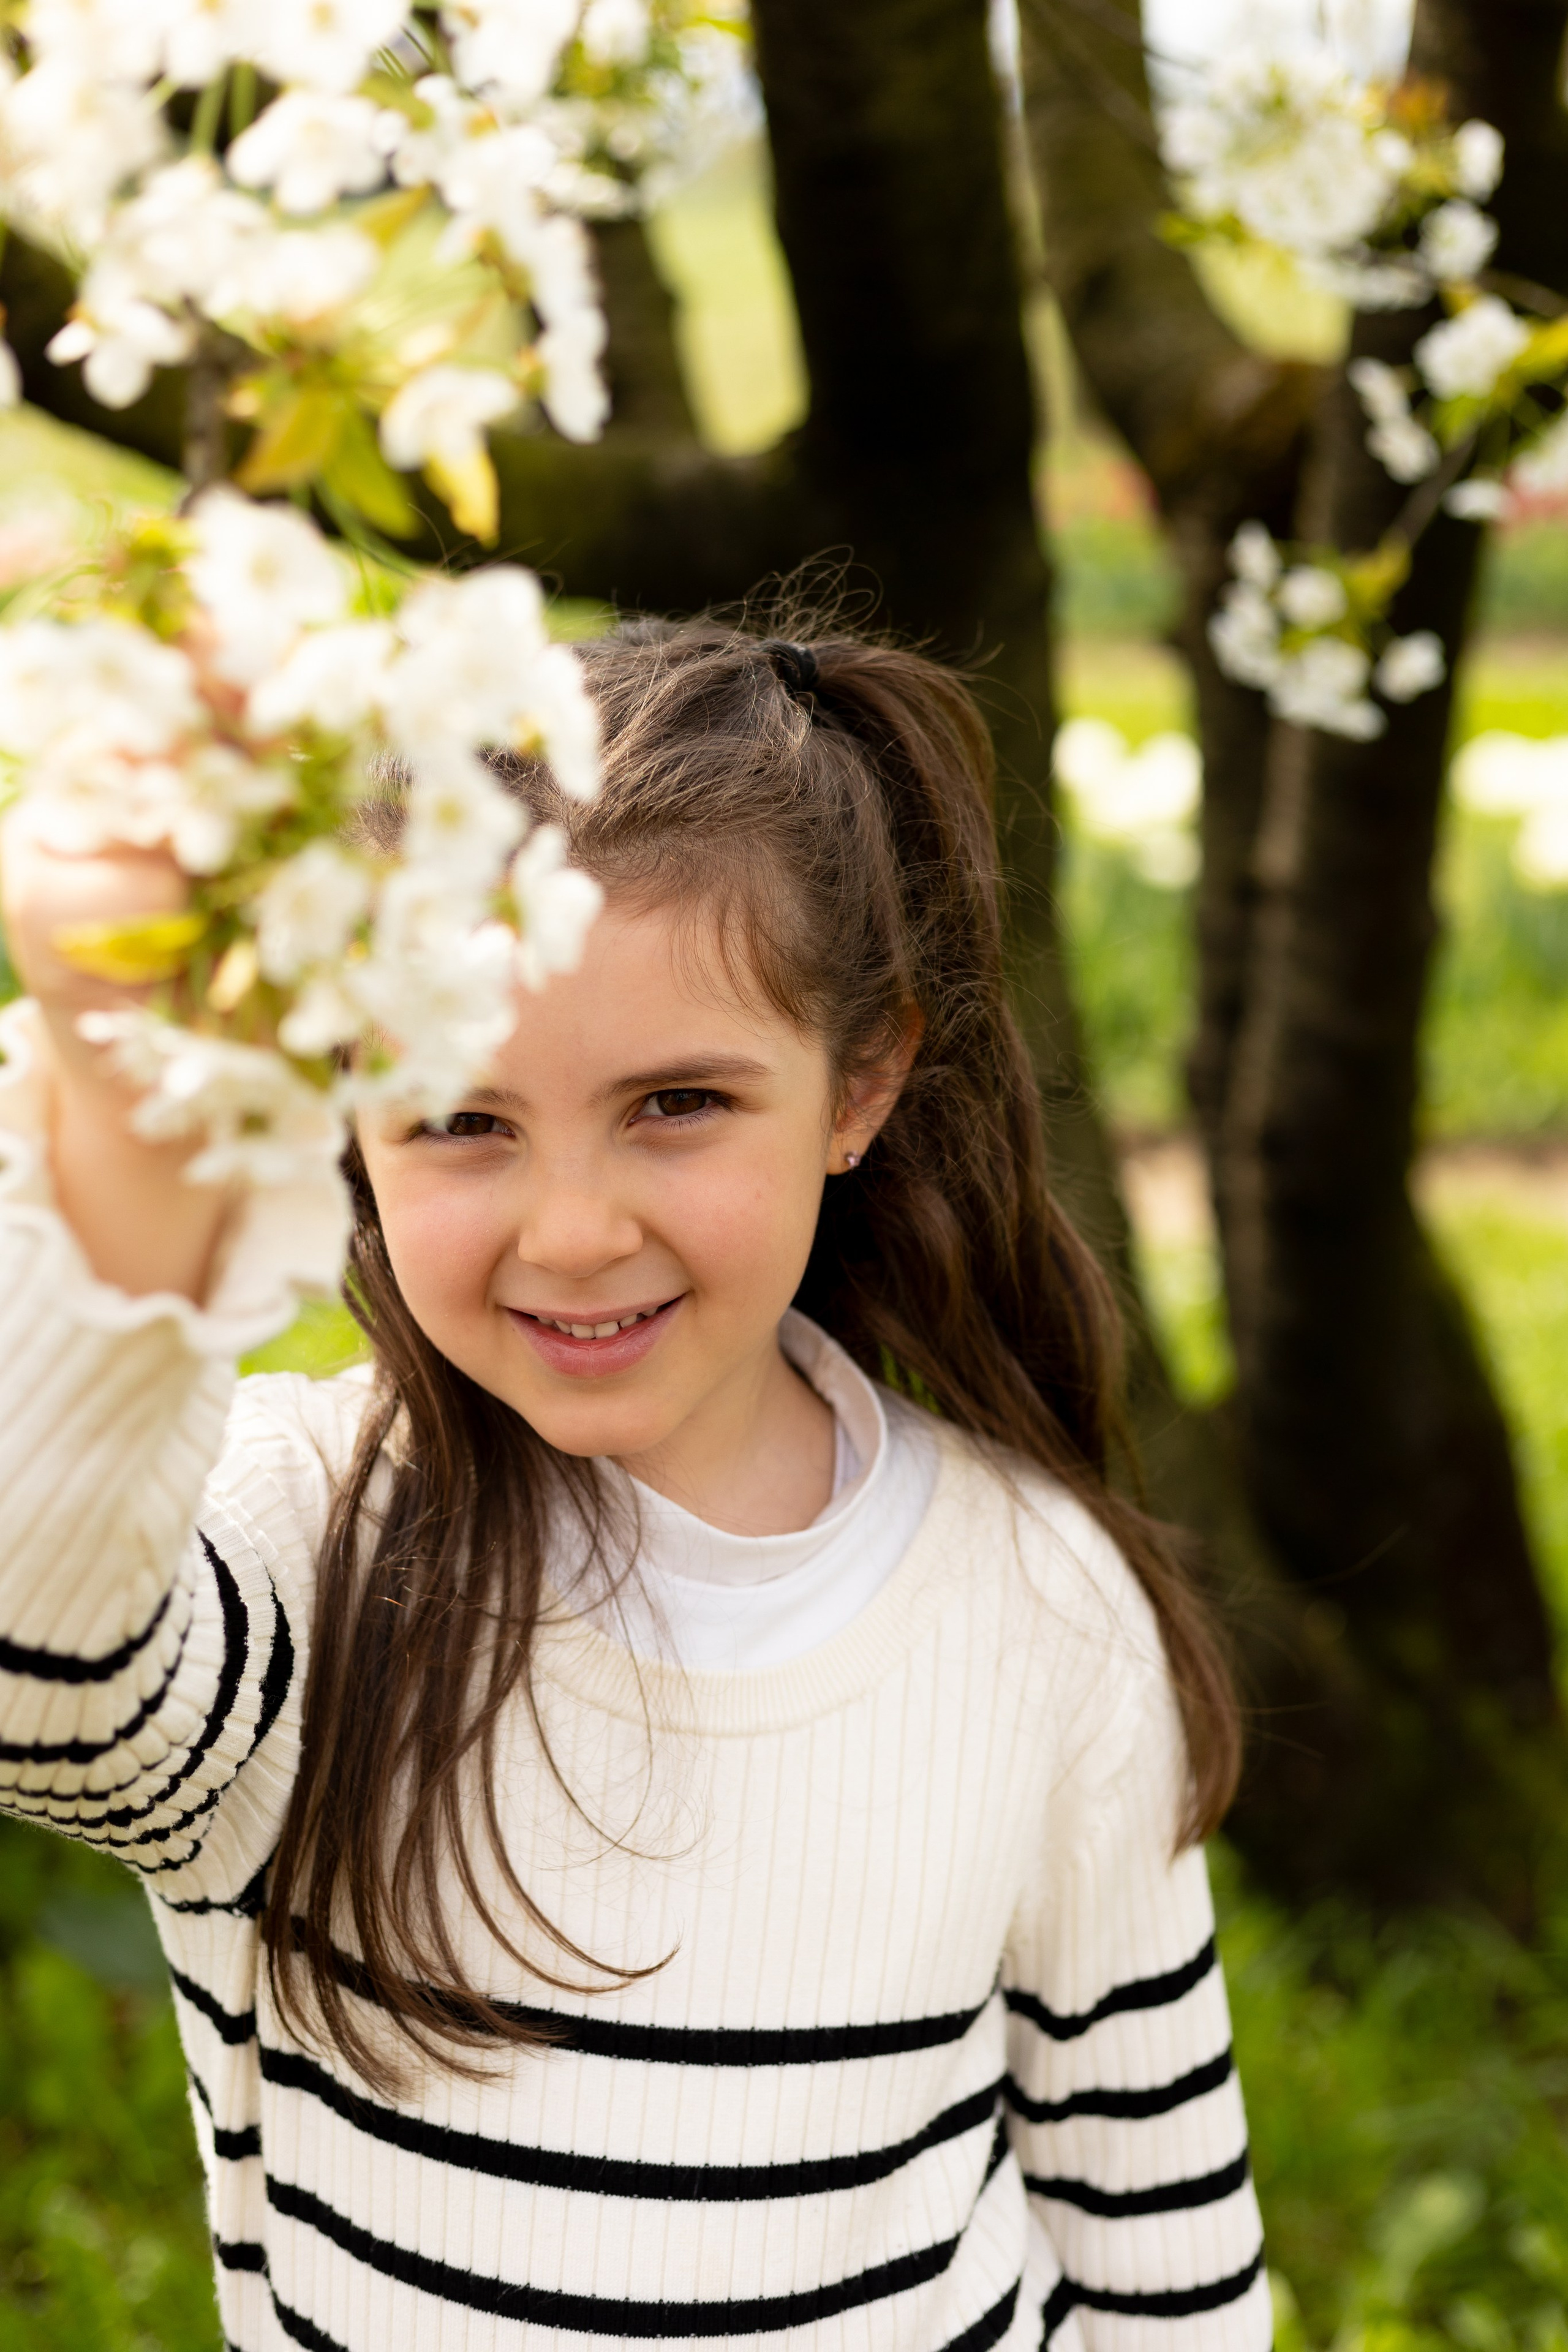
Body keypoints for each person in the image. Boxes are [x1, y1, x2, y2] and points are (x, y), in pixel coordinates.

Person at [0, 624, 1269, 2351]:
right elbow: (39, 1672)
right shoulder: (300, 1542)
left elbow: (1162, 2255)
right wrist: (109, 1129)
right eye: (462, 1116)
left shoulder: (1037, 1605)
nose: (577, 1229)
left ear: (863, 1083)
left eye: (677, 1103)